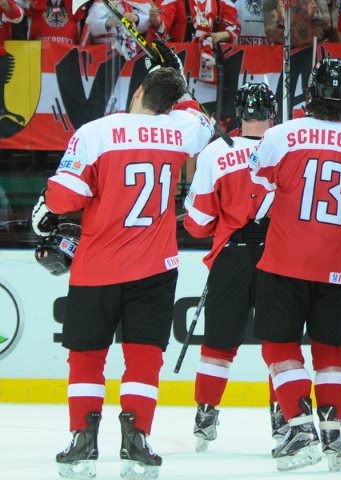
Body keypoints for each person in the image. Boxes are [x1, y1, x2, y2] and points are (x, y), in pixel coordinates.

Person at [35, 65, 214, 480]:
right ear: (171, 104)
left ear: (138, 94)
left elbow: (64, 197)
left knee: (86, 356)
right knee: (144, 357)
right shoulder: (181, 130)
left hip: (98, 266)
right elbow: (203, 120)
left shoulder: (96, 131)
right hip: (154, 266)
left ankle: (82, 440)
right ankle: (137, 440)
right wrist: (183, 93)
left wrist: (47, 198)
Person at [249, 59, 341, 471]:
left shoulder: (281, 134)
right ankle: (332, 433)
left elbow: (260, 185)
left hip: (286, 259)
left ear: (311, 93)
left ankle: (299, 428)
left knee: (280, 346)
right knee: (332, 350)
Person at [183, 83, 281, 451]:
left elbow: (196, 223)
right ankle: (283, 418)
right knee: (279, 342)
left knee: (218, 343)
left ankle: (205, 416)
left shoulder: (214, 154)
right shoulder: (285, 149)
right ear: (272, 112)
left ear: (239, 113)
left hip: (231, 256)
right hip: (277, 256)